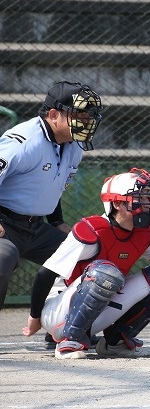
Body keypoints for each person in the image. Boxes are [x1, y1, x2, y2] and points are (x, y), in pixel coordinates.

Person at [21, 167, 150, 359]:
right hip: (58, 310)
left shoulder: (144, 232)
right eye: (139, 198)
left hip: (96, 310)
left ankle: (115, 343)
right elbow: (45, 274)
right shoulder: (92, 231)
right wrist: (35, 317)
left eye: (147, 198)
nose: (147, 203)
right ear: (117, 203)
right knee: (105, 273)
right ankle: (69, 341)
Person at [0, 81, 104, 314]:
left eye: (88, 115)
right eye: (79, 115)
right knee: (2, 259)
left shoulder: (74, 144)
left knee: (90, 257)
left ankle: (63, 325)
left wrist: (57, 222)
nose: (86, 121)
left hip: (36, 228)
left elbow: (51, 184)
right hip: (5, 225)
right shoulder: (24, 142)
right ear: (54, 115)